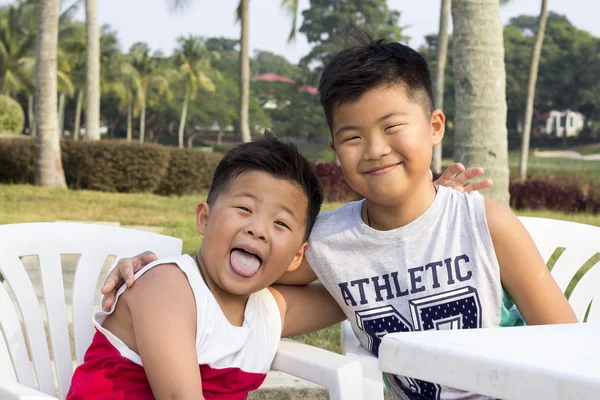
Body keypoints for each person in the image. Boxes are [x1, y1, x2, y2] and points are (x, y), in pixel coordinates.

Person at [101, 39, 577, 400]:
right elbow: (231, 283)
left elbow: (567, 346)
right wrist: (149, 271)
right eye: (352, 136)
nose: (375, 149)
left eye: (393, 127)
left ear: (434, 127)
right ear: (334, 150)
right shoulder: (328, 244)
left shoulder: (486, 225)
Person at [67, 135, 346, 400]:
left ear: (297, 256)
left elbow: (351, 296)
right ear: (203, 218)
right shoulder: (167, 286)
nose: (258, 230)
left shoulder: (266, 311)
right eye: (245, 209)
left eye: (281, 223)